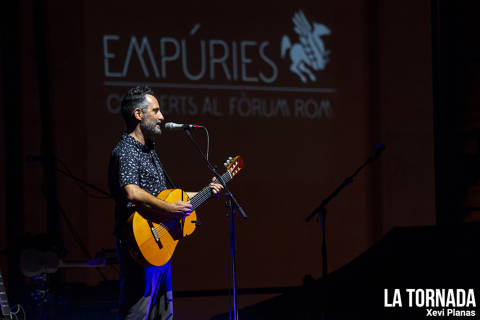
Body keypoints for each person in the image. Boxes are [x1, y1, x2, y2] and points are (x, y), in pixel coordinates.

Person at [108, 86, 223, 320]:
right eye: (156, 111)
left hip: (160, 243)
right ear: (139, 114)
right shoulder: (127, 150)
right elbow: (131, 192)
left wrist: (208, 191)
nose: (162, 117)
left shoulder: (149, 150)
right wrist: (169, 208)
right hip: (139, 242)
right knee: (137, 313)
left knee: (163, 315)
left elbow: (167, 196)